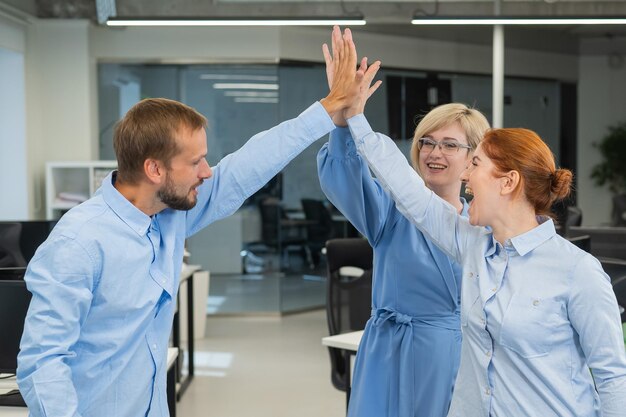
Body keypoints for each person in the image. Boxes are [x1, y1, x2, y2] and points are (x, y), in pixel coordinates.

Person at [16, 26, 377, 417]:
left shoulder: (167, 216)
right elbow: (43, 362)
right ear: (154, 169)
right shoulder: (80, 242)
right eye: (194, 162)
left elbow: (245, 167)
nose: (207, 172)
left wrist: (327, 109)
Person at [336, 74, 626, 416]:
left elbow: (612, 377)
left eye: (474, 164)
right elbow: (408, 191)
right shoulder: (473, 246)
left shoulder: (576, 271)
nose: (463, 176)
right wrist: (354, 118)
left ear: (508, 182)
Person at [318, 30, 489, 416]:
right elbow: (345, 178)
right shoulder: (391, 213)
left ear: (473, 159)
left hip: (455, 357)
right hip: (392, 353)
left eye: (449, 144)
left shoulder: (483, 224)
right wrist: (344, 122)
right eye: (426, 142)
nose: (433, 152)